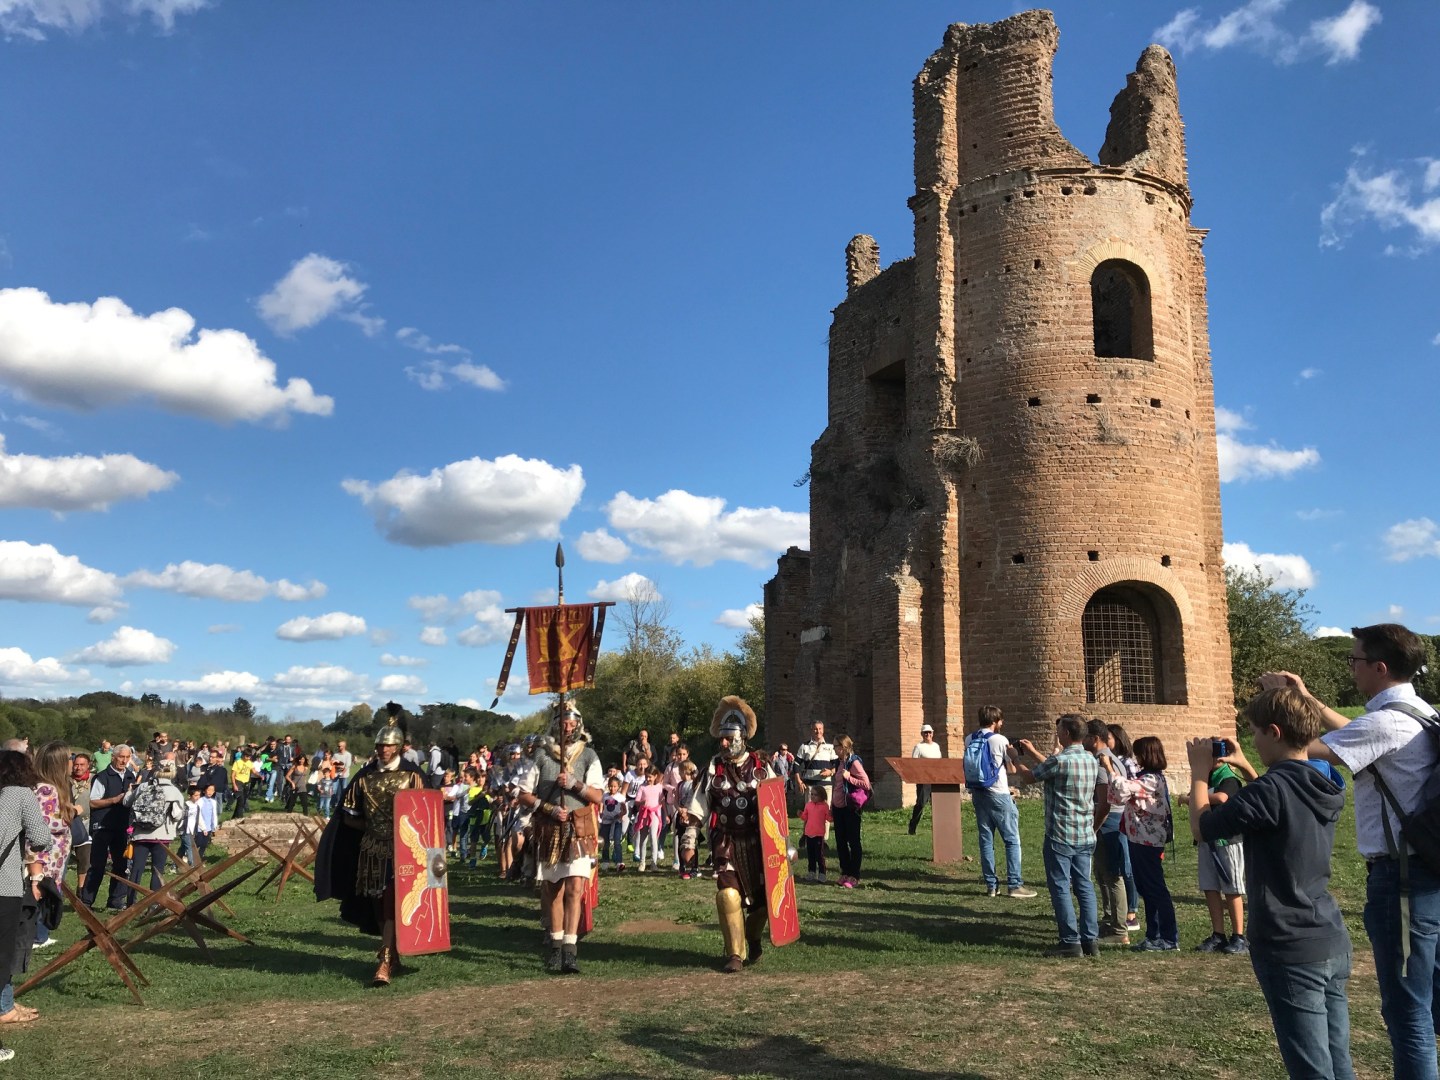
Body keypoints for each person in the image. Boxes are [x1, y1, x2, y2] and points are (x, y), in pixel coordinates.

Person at [1268, 623, 1440, 1078]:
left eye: (1355, 660)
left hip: (1401, 880)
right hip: (1428, 871)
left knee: (1408, 1011)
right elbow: (1361, 738)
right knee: (1426, 999)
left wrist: (1279, 706)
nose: (1352, 668)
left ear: (1378, 668)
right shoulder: (1420, 713)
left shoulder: (1385, 722)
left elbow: (1301, 750)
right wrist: (1309, 699)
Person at [1187, 688, 1353, 1080]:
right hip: (1328, 934)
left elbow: (1203, 828)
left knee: (1311, 1067)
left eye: (1255, 733)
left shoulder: (1271, 790)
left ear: (1274, 732)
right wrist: (1246, 768)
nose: (1252, 741)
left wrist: (1197, 771)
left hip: (1288, 941)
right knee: (1337, 1059)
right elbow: (1281, 796)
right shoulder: (1323, 783)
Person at [317, 710, 425, 986]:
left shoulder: (412, 776)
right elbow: (348, 815)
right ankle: (393, 954)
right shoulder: (364, 778)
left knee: (391, 901)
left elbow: (424, 814)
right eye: (379, 745)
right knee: (377, 903)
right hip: (372, 849)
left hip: (405, 849)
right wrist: (370, 826)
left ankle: (385, 961)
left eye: (388, 745)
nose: (383, 749)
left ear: (398, 746)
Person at [517, 700, 602, 975]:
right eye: (562, 722)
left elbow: (598, 795)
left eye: (571, 721)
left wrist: (575, 784)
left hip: (578, 830)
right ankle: (555, 947)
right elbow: (524, 795)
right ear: (555, 725)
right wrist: (549, 808)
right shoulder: (542, 756)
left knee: (575, 889)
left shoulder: (588, 755)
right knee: (553, 889)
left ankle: (570, 950)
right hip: (550, 829)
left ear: (578, 724)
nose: (567, 726)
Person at [1014, 714, 1103, 958]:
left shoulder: (1060, 760)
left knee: (1061, 887)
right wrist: (1032, 752)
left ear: (1065, 734)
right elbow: (1049, 767)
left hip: (1060, 834)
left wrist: (1014, 758)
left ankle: (1069, 941)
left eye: (1059, 730)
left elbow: (1031, 777)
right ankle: (1090, 940)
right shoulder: (1091, 760)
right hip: (1085, 832)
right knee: (1084, 886)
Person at [703, 696, 772, 972]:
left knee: (765, 901)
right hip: (726, 841)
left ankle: (753, 938)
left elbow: (775, 806)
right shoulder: (713, 768)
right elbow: (698, 804)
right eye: (722, 738)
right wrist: (688, 839)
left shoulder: (760, 767)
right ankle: (735, 953)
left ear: (742, 737)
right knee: (728, 895)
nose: (724, 743)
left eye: (729, 738)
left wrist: (783, 844)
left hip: (758, 843)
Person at [1105, 736, 1177, 952]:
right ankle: (1153, 935)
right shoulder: (1146, 777)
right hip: (1138, 838)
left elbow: (1124, 788)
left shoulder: (1152, 780)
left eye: (1139, 754)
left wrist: (1109, 767)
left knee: (1155, 888)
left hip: (1149, 841)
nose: (1136, 758)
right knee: (1146, 887)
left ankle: (1169, 937)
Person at [0, 749, 54, 1034]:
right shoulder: (21, 794)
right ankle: (3, 1009)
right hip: (4, 884)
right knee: (3, 950)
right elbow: (41, 837)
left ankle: (5, 1005)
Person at [1187, 737, 1253, 955]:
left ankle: (1239, 936)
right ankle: (1218, 934)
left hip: (1228, 841)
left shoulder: (1228, 777)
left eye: (1215, 754)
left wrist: (1193, 798)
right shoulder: (1204, 777)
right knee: (1210, 887)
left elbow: (1223, 798)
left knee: (1232, 889)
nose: (1211, 758)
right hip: (1207, 840)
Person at [966, 706, 1034, 899]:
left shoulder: (969, 739)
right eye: (1001, 721)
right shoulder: (1000, 740)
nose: (1002, 724)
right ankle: (1014, 884)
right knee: (1011, 840)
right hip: (998, 793)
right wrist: (1013, 753)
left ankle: (991, 885)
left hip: (978, 792)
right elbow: (1011, 769)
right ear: (995, 721)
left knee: (986, 841)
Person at [1085, 719, 1129, 944]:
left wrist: (1093, 828)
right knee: (1103, 874)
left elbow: (1105, 803)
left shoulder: (1103, 762)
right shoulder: (1110, 758)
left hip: (1109, 823)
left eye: (1085, 737)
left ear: (1094, 739)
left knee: (1112, 876)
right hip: (1111, 821)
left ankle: (1120, 930)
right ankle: (1110, 920)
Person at [79, 743, 137, 911]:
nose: (124, 761)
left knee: (121, 864)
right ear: (113, 757)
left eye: (127, 758)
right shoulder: (102, 776)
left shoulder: (131, 776)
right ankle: (87, 901)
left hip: (122, 826)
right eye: (121, 757)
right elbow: (93, 802)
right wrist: (114, 800)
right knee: (97, 864)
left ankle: (116, 900)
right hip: (103, 825)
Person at [29, 741, 73, 949]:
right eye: (69, 759)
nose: (72, 763)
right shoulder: (46, 790)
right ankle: (37, 935)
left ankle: (40, 933)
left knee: (50, 893)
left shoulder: (54, 788)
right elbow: (42, 823)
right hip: (46, 856)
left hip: (55, 856)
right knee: (43, 893)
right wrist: (70, 815)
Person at [124, 761, 185, 900]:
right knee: (158, 870)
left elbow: (126, 802)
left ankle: (130, 902)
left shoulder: (144, 787)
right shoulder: (174, 791)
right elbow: (176, 815)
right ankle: (154, 903)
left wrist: (129, 791)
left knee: (136, 869)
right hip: (162, 835)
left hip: (140, 834)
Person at [1106, 723, 1141, 933]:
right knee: (1116, 865)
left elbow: (1131, 788)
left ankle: (1132, 912)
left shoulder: (1126, 763)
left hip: (1125, 817)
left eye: (1108, 738)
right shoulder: (1108, 761)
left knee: (1127, 866)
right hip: (1113, 815)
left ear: (1117, 739)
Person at [830, 734, 871, 889]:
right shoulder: (839, 762)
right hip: (838, 807)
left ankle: (854, 875)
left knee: (853, 841)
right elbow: (837, 786)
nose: (834, 748)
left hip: (850, 808)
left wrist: (850, 778)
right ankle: (845, 872)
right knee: (840, 842)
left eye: (835, 746)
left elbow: (866, 784)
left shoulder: (853, 762)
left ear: (843, 747)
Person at [907, 723, 942, 835]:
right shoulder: (919, 747)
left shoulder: (936, 746)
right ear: (922, 734)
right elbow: (914, 763)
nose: (928, 734)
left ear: (932, 734)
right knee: (921, 803)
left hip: (936, 779)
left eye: (929, 732)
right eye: (925, 733)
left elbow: (939, 761)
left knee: (937, 804)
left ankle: (939, 829)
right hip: (924, 780)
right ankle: (912, 826)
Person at [673, 761, 704, 879]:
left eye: (680, 771)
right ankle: (682, 866)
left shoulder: (693, 784)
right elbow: (676, 799)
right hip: (680, 815)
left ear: (685, 771)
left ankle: (694, 867)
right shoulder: (680, 784)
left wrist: (686, 811)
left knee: (691, 842)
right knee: (680, 840)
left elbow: (693, 800)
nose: (679, 773)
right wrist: (678, 809)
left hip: (690, 816)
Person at [795, 721, 838, 797]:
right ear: (811, 731)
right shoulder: (805, 746)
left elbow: (837, 764)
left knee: (826, 809)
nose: (818, 731)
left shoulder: (830, 747)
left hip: (826, 786)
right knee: (810, 809)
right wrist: (799, 782)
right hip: (810, 787)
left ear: (823, 730)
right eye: (815, 729)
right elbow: (796, 764)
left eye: (820, 729)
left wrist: (831, 772)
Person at [800, 785, 831, 883]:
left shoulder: (825, 806)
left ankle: (822, 874)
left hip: (818, 835)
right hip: (809, 834)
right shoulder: (808, 805)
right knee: (810, 855)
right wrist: (800, 814)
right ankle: (811, 872)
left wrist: (833, 815)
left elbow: (829, 818)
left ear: (822, 796)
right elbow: (805, 817)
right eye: (811, 794)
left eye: (815, 795)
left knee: (819, 855)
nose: (812, 796)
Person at [599, 776, 627, 871]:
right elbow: (601, 806)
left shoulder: (620, 797)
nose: (612, 788)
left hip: (617, 823)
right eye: (611, 786)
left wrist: (619, 815)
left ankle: (619, 862)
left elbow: (624, 810)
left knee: (617, 842)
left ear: (618, 787)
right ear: (608, 786)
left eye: (615, 786)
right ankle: (605, 861)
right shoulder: (605, 796)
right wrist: (601, 813)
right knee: (605, 842)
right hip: (606, 822)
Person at [230, 749, 254, 820]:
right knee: (240, 800)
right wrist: (234, 785)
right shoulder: (237, 762)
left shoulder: (249, 763)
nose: (248, 758)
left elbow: (254, 770)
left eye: (249, 757)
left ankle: (234, 817)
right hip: (238, 782)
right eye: (247, 756)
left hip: (246, 783)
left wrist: (260, 775)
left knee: (242, 802)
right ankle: (240, 817)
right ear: (243, 755)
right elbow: (232, 775)